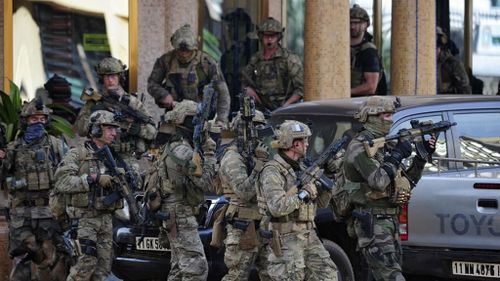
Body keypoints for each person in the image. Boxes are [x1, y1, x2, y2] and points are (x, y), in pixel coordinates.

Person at [343, 96, 436, 281]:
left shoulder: (384, 145)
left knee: (381, 275)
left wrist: (421, 156)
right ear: (372, 116)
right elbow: (378, 182)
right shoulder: (360, 148)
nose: (390, 120)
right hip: (373, 221)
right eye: (386, 115)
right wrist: (396, 155)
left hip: (389, 220)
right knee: (392, 276)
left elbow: (406, 182)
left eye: (391, 115)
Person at [54, 110, 136, 281]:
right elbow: (62, 181)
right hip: (84, 220)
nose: (114, 133)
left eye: (115, 129)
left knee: (103, 270)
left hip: (106, 220)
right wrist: (93, 179)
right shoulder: (78, 154)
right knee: (84, 267)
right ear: (96, 130)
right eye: (109, 128)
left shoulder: (114, 156)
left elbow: (134, 182)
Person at [143, 100, 217, 280]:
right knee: (196, 268)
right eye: (194, 120)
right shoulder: (183, 150)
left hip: (175, 214)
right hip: (180, 215)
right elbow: (205, 183)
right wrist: (209, 154)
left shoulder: (176, 145)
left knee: (178, 269)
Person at [257, 120, 338, 281]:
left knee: (328, 274)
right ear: (293, 144)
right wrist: (303, 194)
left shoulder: (301, 168)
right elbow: (277, 207)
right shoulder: (272, 171)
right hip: (286, 238)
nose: (308, 144)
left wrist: (328, 179)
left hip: (309, 235)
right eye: (304, 140)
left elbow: (321, 204)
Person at [0, 99, 68, 281]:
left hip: (49, 212)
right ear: (25, 121)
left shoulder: (56, 145)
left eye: (41, 118)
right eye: (33, 119)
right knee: (24, 255)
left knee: (52, 261)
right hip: (22, 213)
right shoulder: (13, 148)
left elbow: (69, 174)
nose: (38, 122)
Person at [74, 57, 157, 188]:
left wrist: (137, 129)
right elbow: (81, 130)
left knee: (130, 196)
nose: (110, 80)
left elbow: (153, 132)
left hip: (126, 159)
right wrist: (93, 115)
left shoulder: (132, 103)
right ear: (102, 79)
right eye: (106, 77)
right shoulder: (95, 101)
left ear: (120, 77)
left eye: (113, 76)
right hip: (99, 157)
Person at [219, 110, 271, 281]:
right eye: (255, 128)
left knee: (272, 273)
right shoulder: (232, 158)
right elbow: (245, 192)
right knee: (237, 276)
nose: (259, 134)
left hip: (262, 223)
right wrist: (259, 166)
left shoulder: (256, 154)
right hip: (242, 224)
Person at [147, 24, 231, 127]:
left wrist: (221, 119)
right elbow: (152, 83)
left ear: (194, 48)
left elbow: (223, 92)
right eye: (180, 50)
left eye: (187, 51)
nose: (183, 54)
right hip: (174, 116)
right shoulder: (166, 60)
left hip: (200, 118)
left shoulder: (207, 62)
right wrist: (163, 95)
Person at [241, 17, 303, 113]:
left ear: (278, 37)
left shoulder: (289, 59)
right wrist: (250, 92)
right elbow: (245, 84)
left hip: (286, 111)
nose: (269, 39)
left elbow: (300, 89)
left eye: (273, 36)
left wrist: (284, 107)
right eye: (266, 36)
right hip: (261, 111)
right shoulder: (256, 59)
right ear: (261, 36)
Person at [220, 8, 259, 116]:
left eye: (234, 26)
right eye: (229, 26)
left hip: (254, 108)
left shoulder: (256, 50)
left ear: (245, 28)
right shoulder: (227, 56)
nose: (230, 30)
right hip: (232, 107)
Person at [350, 4, 383, 97]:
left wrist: (347, 92)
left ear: (365, 25)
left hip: (362, 104)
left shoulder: (369, 51)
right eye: (350, 23)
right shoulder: (341, 48)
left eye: (356, 23)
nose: (352, 26)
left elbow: (371, 87)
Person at [436, 27, 472, 95]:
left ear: (441, 47)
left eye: (436, 47)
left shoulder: (453, 64)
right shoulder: (425, 65)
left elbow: (465, 91)